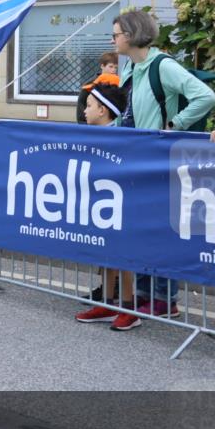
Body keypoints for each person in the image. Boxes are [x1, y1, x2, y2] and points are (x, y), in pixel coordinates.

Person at [114, 9, 215, 320]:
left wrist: (174, 125)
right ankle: (146, 295)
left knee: (158, 229)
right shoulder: (135, 68)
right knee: (142, 229)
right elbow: (130, 116)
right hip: (138, 159)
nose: (113, 39)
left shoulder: (163, 66)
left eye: (116, 33)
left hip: (161, 161)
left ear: (131, 35)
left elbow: (206, 96)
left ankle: (164, 298)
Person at [72, 84, 139, 331]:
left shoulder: (120, 135)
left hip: (120, 203)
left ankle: (129, 308)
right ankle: (109, 304)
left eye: (89, 106)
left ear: (102, 110)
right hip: (101, 203)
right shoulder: (92, 135)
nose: (85, 111)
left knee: (123, 255)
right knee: (106, 253)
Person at [76, 52, 120, 124]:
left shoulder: (118, 84)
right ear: (102, 66)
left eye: (116, 67)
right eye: (111, 66)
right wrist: (83, 125)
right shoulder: (90, 85)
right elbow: (81, 107)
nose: (113, 70)